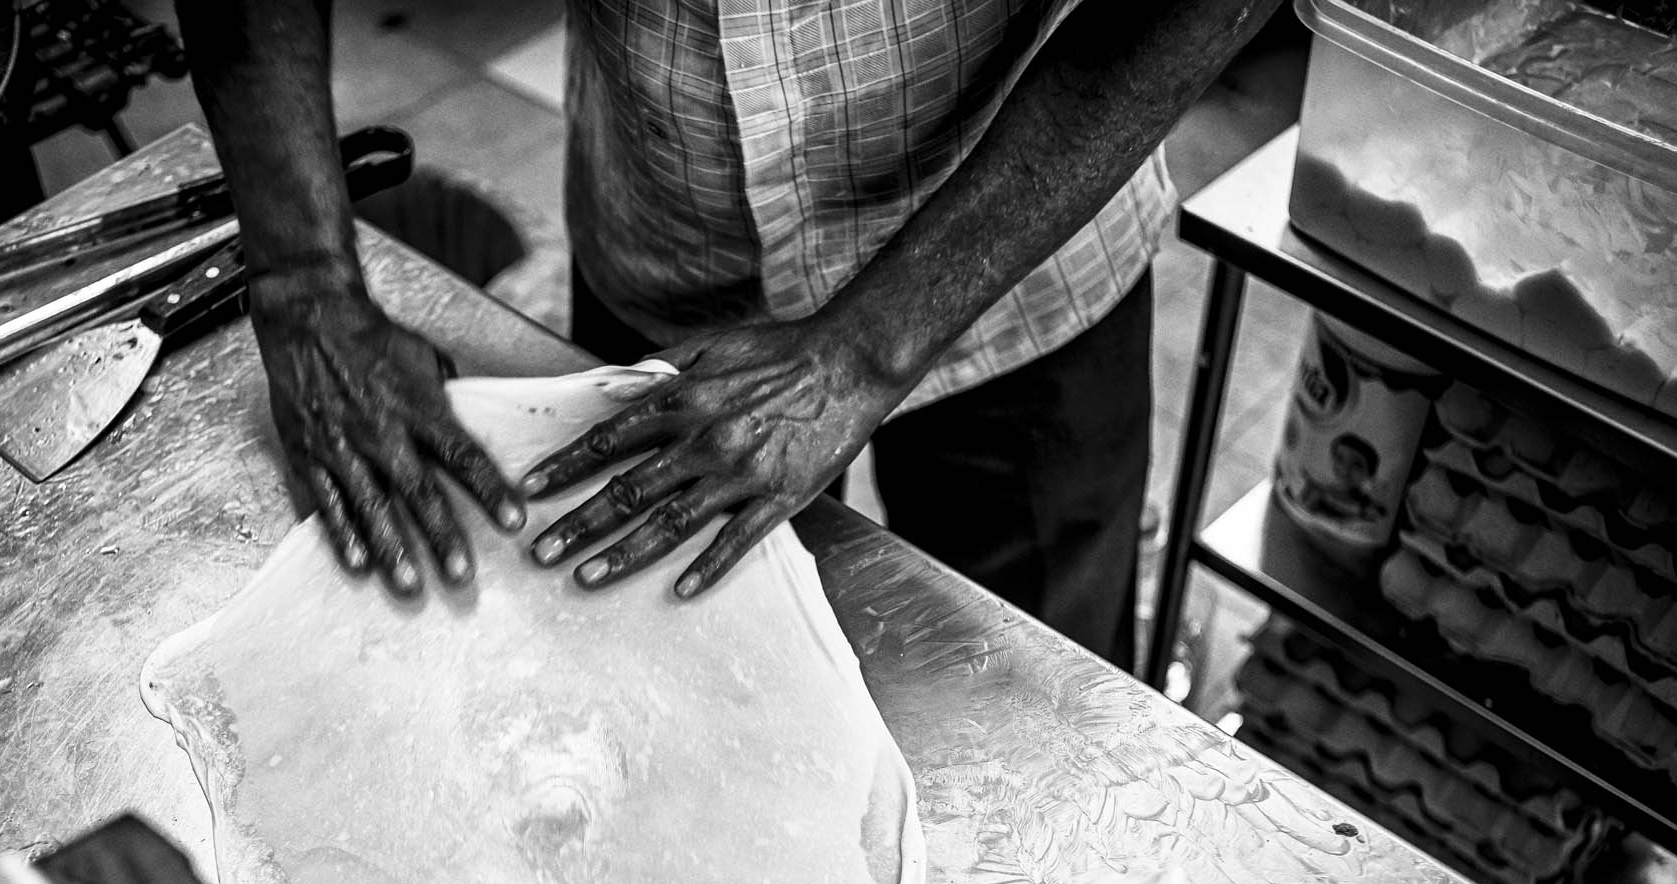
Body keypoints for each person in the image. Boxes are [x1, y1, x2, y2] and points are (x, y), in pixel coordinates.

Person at [173, 0, 1284, 669]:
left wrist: (861, 352)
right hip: (665, 225)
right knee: (638, 685)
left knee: (1028, 713)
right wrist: (302, 279)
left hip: (1019, 259)